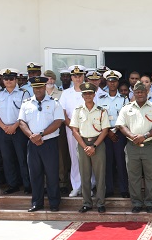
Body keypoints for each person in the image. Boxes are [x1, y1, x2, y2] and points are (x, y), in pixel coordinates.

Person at [17, 76, 64, 212]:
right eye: (35, 87)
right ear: (32, 88)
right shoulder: (26, 103)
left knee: (52, 173)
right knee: (35, 174)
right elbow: (21, 122)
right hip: (33, 142)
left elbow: (58, 122)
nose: (38, 90)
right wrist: (32, 136)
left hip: (49, 142)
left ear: (44, 87)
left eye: (40, 87)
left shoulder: (54, 103)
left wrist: (41, 134)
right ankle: (37, 203)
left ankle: (54, 203)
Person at [116, 82, 152, 213]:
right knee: (133, 176)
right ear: (134, 93)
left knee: (151, 176)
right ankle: (136, 203)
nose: (140, 94)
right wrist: (132, 136)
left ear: (147, 92)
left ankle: (150, 203)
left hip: (149, 145)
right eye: (137, 92)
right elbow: (121, 125)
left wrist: (145, 136)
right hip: (132, 146)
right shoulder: (126, 108)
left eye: (142, 92)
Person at [70, 83, 109, 213]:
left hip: (97, 143)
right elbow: (74, 130)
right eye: (85, 94)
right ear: (82, 96)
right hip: (83, 144)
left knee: (100, 175)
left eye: (90, 93)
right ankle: (86, 203)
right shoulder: (77, 110)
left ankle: (100, 203)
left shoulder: (101, 110)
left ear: (94, 95)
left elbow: (105, 130)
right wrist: (85, 146)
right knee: (84, 175)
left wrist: (94, 146)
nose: (88, 96)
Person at [0, 68, 31, 195]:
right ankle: (12, 185)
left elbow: (26, 112)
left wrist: (14, 126)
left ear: (16, 80)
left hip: (19, 130)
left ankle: (28, 185)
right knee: (7, 159)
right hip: (3, 130)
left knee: (23, 158)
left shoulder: (24, 93)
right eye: (6, 79)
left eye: (11, 78)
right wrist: (3, 127)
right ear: (3, 80)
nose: (8, 81)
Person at [96, 69, 130, 198]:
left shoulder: (124, 99)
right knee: (107, 161)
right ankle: (109, 188)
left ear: (117, 82)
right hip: (105, 133)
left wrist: (116, 130)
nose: (112, 83)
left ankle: (123, 189)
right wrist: (108, 132)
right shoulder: (100, 99)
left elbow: (126, 117)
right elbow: (98, 117)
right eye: (110, 81)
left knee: (121, 161)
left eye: (114, 81)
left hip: (120, 133)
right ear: (107, 82)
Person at [58, 65, 86, 197]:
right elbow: (63, 113)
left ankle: (88, 185)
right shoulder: (66, 93)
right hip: (71, 130)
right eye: (75, 76)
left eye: (80, 75)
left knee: (88, 158)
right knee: (74, 158)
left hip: (88, 130)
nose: (77, 78)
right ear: (71, 77)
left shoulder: (90, 90)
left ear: (83, 76)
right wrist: (73, 128)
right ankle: (76, 185)